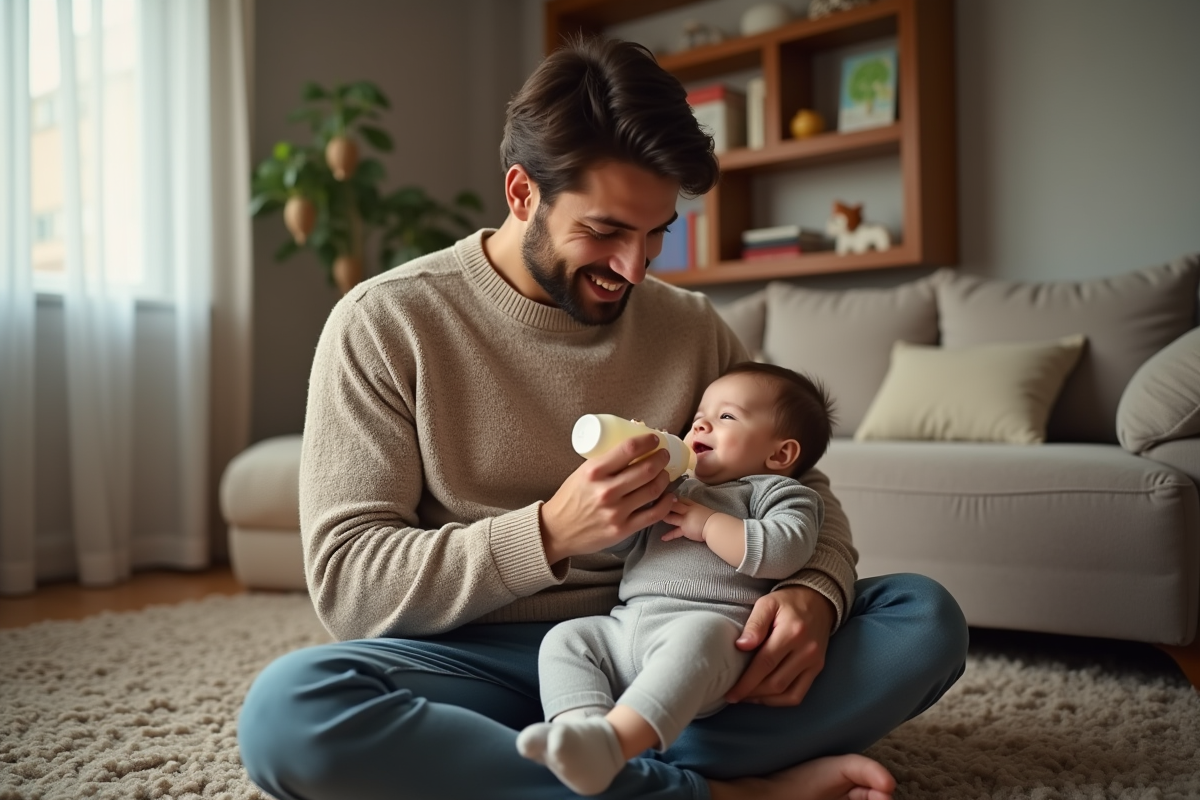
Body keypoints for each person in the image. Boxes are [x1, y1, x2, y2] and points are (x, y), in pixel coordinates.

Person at [237, 36, 968, 800]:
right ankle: (720, 789)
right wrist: (550, 532)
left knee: (922, 618)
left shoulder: (693, 328)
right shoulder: (386, 323)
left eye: (657, 233)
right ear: (523, 194)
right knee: (291, 714)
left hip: (685, 650)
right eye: (606, 230)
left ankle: (552, 768)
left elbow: (802, 490)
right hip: (473, 662)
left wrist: (813, 594)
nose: (634, 267)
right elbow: (350, 584)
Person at [517, 363, 839, 796]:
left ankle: (616, 744)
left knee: (697, 638)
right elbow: (620, 543)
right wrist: (624, 497)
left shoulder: (778, 494)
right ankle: (580, 735)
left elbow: (785, 551)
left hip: (711, 634)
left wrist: (709, 524)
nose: (700, 424)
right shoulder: (676, 487)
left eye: (726, 416)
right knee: (566, 639)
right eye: (699, 417)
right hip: (625, 628)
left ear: (780, 456)